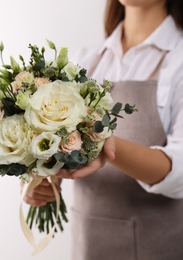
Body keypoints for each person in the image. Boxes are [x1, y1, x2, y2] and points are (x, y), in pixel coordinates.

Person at [23, 0, 183, 259]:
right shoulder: (84, 60)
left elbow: (181, 171)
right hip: (88, 245)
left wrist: (107, 146)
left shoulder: (178, 59)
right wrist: (39, 175)